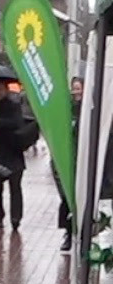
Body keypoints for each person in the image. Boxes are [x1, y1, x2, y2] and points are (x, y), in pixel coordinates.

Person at [0, 86, 37, 230]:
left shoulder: (14, 106)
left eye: (0, 90)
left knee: (15, 187)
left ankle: (16, 218)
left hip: (13, 152)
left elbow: (16, 123)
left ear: (6, 90)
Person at [60, 76, 83, 250]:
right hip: (69, 161)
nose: (76, 91)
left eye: (79, 87)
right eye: (74, 88)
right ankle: (68, 232)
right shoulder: (68, 109)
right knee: (67, 199)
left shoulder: (90, 109)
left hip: (84, 160)